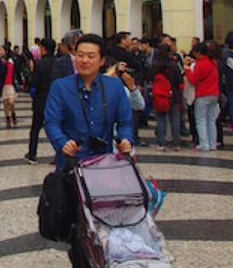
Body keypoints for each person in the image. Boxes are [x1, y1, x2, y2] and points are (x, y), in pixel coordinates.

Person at [44, 34, 134, 169]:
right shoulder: (60, 87)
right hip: (71, 164)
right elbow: (51, 122)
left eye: (91, 56)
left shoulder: (114, 86)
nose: (84, 60)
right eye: (80, 55)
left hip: (104, 164)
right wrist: (63, 143)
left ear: (102, 60)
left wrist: (126, 139)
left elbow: (125, 121)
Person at [184, 43, 220, 153]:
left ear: (198, 53)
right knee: (211, 119)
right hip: (214, 93)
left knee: (201, 120)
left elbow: (193, 80)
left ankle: (204, 144)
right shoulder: (213, 63)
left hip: (203, 94)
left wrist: (187, 69)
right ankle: (213, 144)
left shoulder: (200, 65)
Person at [26, 38, 57, 164]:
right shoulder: (58, 62)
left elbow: (34, 83)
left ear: (43, 48)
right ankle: (59, 152)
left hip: (41, 98)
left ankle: (32, 154)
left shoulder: (39, 64)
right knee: (56, 127)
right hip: (55, 99)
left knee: (35, 128)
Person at [151, 50, 182, 151]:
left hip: (160, 95)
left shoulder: (155, 66)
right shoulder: (174, 65)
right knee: (175, 120)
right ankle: (176, 144)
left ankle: (161, 143)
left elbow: (150, 78)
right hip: (173, 95)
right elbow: (179, 80)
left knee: (161, 119)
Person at [0, 45, 18, 128]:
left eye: (2, 50)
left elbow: (14, 71)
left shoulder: (10, 60)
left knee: (11, 101)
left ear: (6, 51)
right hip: (3, 84)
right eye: (0, 50)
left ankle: (13, 112)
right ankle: (8, 118)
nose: (0, 51)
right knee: (5, 102)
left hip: (10, 84)